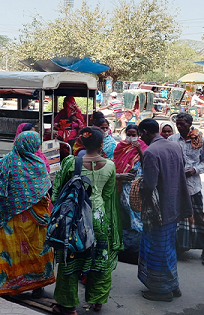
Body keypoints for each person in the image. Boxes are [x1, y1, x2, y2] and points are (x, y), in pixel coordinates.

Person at [51, 127, 122, 314]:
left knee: (70, 263)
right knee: (100, 261)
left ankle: (68, 306)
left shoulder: (70, 162)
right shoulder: (110, 165)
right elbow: (108, 195)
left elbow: (57, 192)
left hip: (74, 220)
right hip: (98, 219)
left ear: (80, 143)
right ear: (101, 144)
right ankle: (97, 301)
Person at [0, 131, 55, 297]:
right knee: (37, 250)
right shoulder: (38, 163)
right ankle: (38, 285)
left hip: (9, 219)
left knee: (10, 252)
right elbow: (45, 191)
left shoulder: (6, 162)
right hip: (35, 220)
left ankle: (9, 285)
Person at [138, 118, 192, 302]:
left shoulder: (151, 152)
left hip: (158, 211)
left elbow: (149, 185)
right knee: (168, 247)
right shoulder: (174, 146)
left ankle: (162, 291)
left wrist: (139, 186)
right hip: (174, 206)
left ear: (145, 132)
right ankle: (173, 285)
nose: (140, 138)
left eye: (140, 134)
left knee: (157, 249)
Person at [168, 113, 204, 266]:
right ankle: (181, 246)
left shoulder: (200, 140)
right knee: (178, 217)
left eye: (182, 124)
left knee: (198, 217)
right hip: (175, 185)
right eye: (177, 124)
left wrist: (194, 170)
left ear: (190, 124)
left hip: (193, 186)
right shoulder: (172, 140)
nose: (179, 127)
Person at [114, 124, 148, 260]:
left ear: (138, 134)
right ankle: (126, 244)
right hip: (121, 184)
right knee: (123, 212)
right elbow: (115, 162)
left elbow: (146, 162)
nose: (131, 137)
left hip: (135, 186)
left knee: (135, 212)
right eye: (129, 133)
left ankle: (136, 246)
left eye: (134, 134)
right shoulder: (120, 146)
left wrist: (139, 149)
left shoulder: (143, 146)